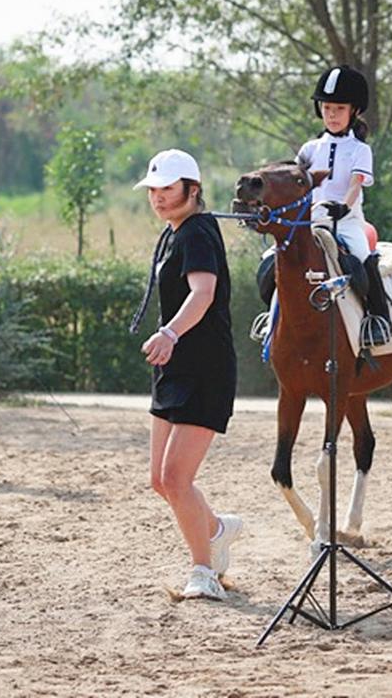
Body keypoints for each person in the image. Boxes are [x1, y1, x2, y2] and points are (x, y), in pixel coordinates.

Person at [129, 148, 243, 601]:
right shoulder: (176, 231)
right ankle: (216, 529)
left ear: (192, 191)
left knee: (176, 478)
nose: (157, 197)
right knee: (160, 480)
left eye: (167, 189)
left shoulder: (196, 233)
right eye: (153, 189)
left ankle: (204, 571)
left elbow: (203, 291)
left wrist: (170, 333)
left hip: (205, 370)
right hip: (174, 368)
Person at [296, 64, 391, 347]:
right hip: (310, 223)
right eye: (326, 108)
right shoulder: (309, 149)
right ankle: (272, 320)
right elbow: (295, 181)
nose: (332, 115)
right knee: (272, 260)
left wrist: (344, 207)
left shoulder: (360, 150)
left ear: (354, 111)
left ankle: (378, 319)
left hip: (345, 221)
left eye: (338, 108)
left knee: (364, 261)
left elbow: (355, 183)